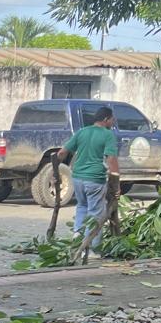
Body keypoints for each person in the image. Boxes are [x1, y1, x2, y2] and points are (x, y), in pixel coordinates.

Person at [57, 106, 120, 253]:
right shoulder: (108, 135)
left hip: (77, 178)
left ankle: (77, 241)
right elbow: (111, 159)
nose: (113, 122)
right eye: (112, 119)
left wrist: (55, 171)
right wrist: (116, 183)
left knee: (82, 207)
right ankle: (91, 250)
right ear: (106, 119)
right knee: (96, 214)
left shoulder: (82, 132)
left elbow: (61, 153)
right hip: (95, 179)